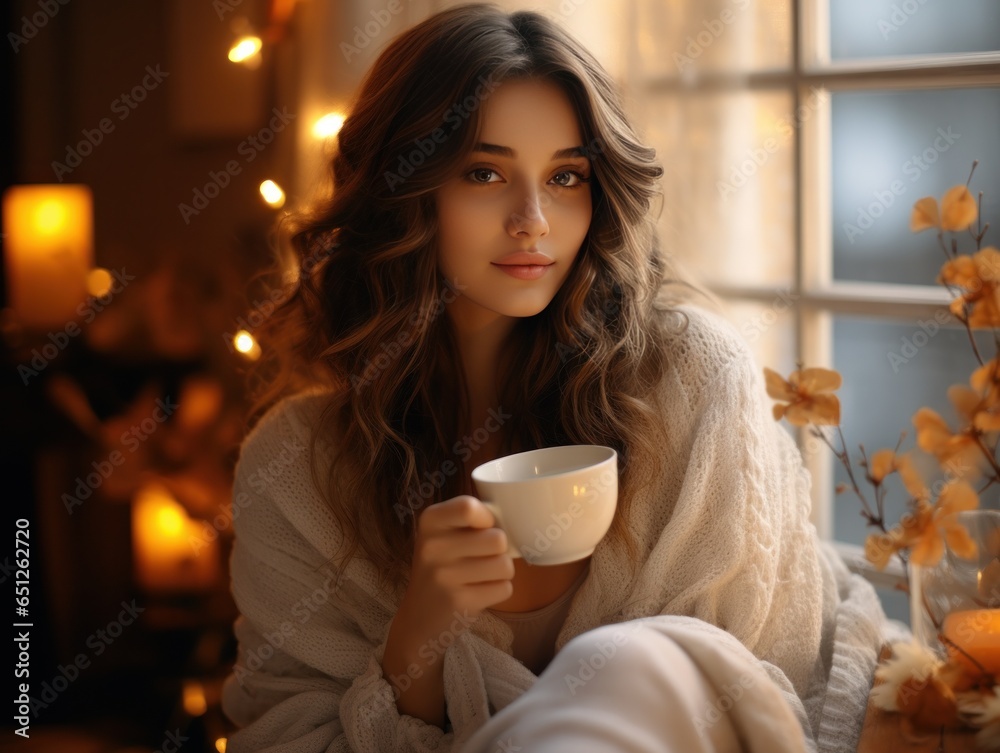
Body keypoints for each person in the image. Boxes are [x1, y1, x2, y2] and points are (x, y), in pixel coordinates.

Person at [220, 4, 898, 751]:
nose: (533, 219)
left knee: (632, 657)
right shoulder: (295, 472)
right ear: (402, 190)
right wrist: (415, 645)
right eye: (484, 172)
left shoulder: (692, 382)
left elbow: (756, 678)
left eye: (566, 175)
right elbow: (285, 735)